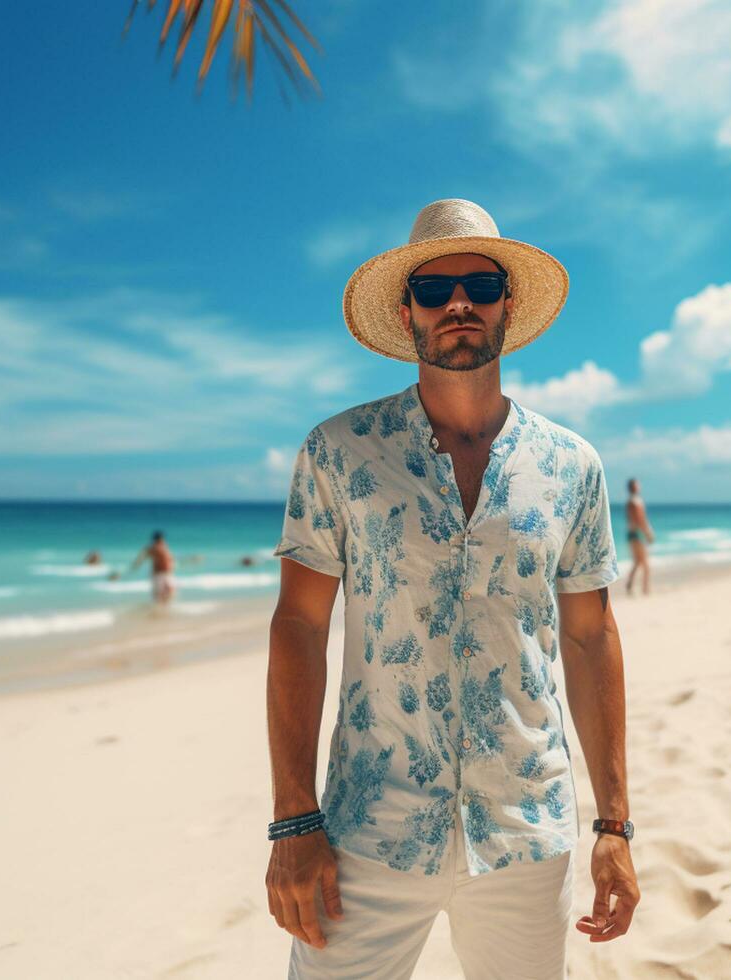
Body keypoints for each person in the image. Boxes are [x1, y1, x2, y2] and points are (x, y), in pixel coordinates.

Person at [266, 199, 638, 978]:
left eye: (479, 284)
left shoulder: (572, 465)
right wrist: (292, 819)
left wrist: (615, 824)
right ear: (407, 314)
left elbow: (589, 636)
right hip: (368, 830)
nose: (458, 303)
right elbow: (299, 625)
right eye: (435, 291)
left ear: (508, 304)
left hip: (527, 832)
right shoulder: (338, 452)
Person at [623, 477, 656, 596]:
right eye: (638, 484)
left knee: (637, 562)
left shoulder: (630, 501)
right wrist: (648, 532)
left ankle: (630, 585)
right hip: (637, 534)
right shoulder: (635, 501)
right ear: (634, 487)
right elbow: (640, 519)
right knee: (645, 564)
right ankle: (646, 589)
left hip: (632, 533)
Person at [129, 530, 175, 605]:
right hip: (158, 574)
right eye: (162, 538)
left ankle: (163, 607)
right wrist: (136, 565)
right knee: (159, 594)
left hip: (167, 573)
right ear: (159, 539)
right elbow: (142, 557)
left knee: (170, 590)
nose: (163, 540)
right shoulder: (153, 548)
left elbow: (169, 559)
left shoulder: (164, 546)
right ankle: (159, 608)